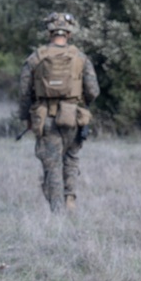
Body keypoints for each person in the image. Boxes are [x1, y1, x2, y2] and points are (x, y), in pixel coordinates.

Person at [18, 12, 100, 213]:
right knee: (71, 158)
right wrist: (80, 103)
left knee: (52, 164)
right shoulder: (81, 58)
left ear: (49, 32)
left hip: (46, 117)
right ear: (69, 34)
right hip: (73, 117)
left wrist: (26, 117)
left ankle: (57, 211)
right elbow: (93, 91)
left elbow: (23, 92)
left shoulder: (36, 57)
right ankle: (70, 198)